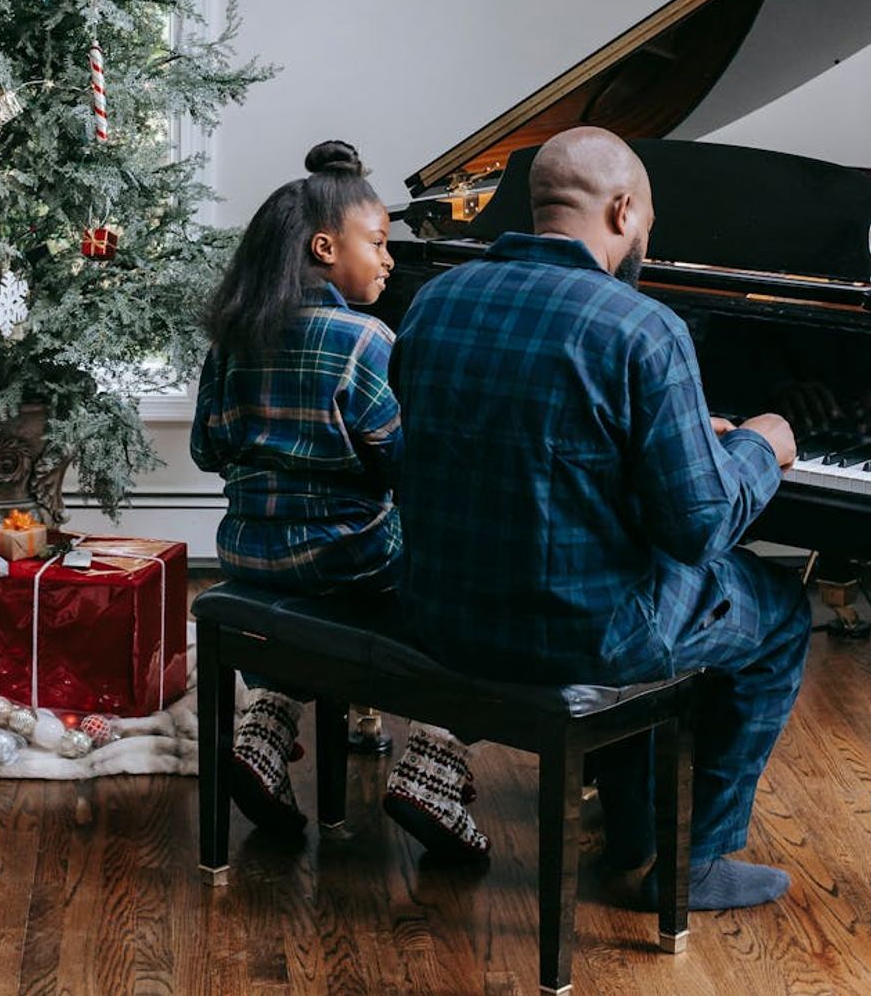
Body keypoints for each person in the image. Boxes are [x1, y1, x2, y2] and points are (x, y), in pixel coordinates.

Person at [391, 125, 811, 911]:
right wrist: (759, 444)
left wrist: (683, 441)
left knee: (626, 564)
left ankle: (635, 827)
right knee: (781, 611)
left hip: (439, 613)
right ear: (623, 209)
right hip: (581, 633)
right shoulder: (643, 327)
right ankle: (700, 860)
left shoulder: (434, 301)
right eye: (646, 222)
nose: (645, 237)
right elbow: (698, 527)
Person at [192, 140, 490, 860]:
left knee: (309, 585)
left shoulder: (234, 340)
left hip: (250, 557)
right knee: (473, 584)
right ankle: (434, 760)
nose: (389, 259)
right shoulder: (366, 340)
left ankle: (264, 729)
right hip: (348, 559)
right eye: (380, 242)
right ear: (325, 246)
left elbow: (208, 449)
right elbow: (402, 463)